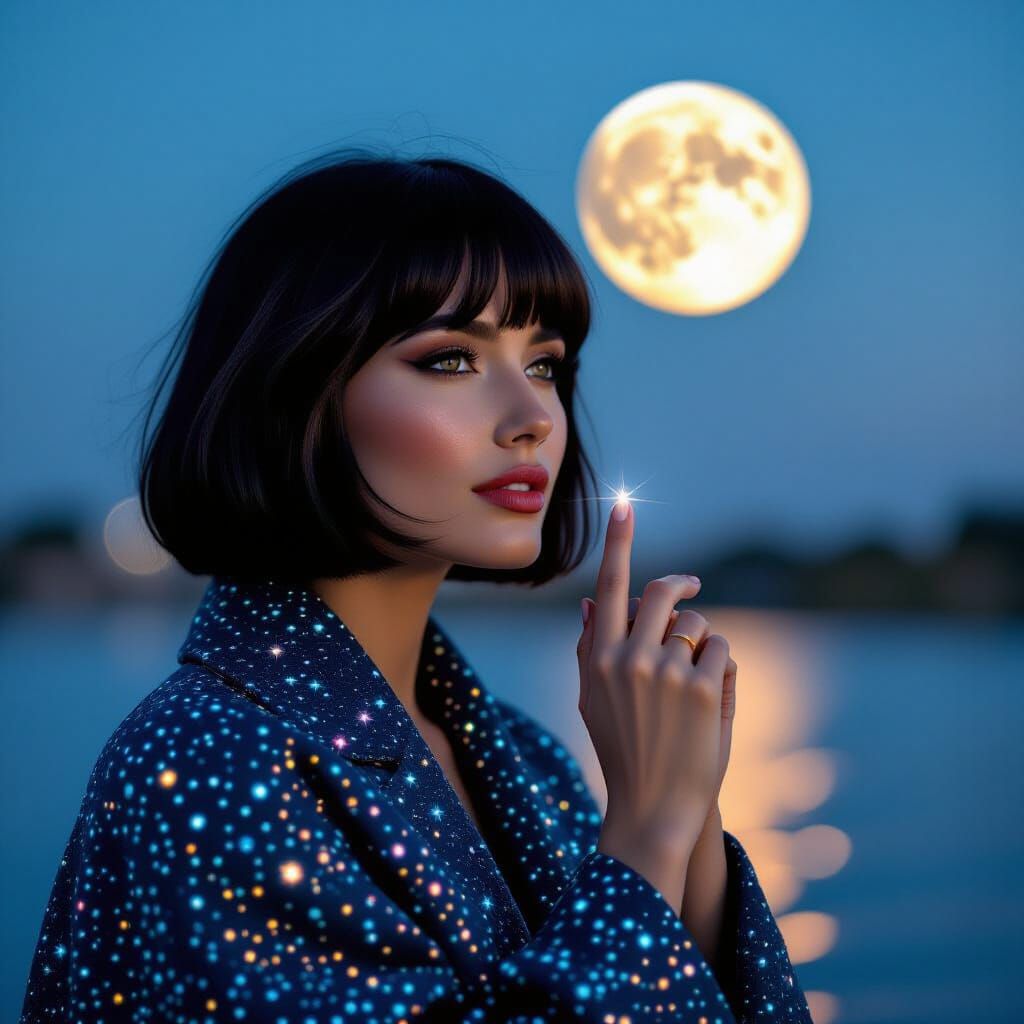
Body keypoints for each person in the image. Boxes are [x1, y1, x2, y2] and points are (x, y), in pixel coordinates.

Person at [19, 150, 813, 1022]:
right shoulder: (199, 762)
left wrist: (685, 805)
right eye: (450, 360)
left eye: (544, 362)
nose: (534, 417)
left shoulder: (528, 757)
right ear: (296, 392)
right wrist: (650, 826)